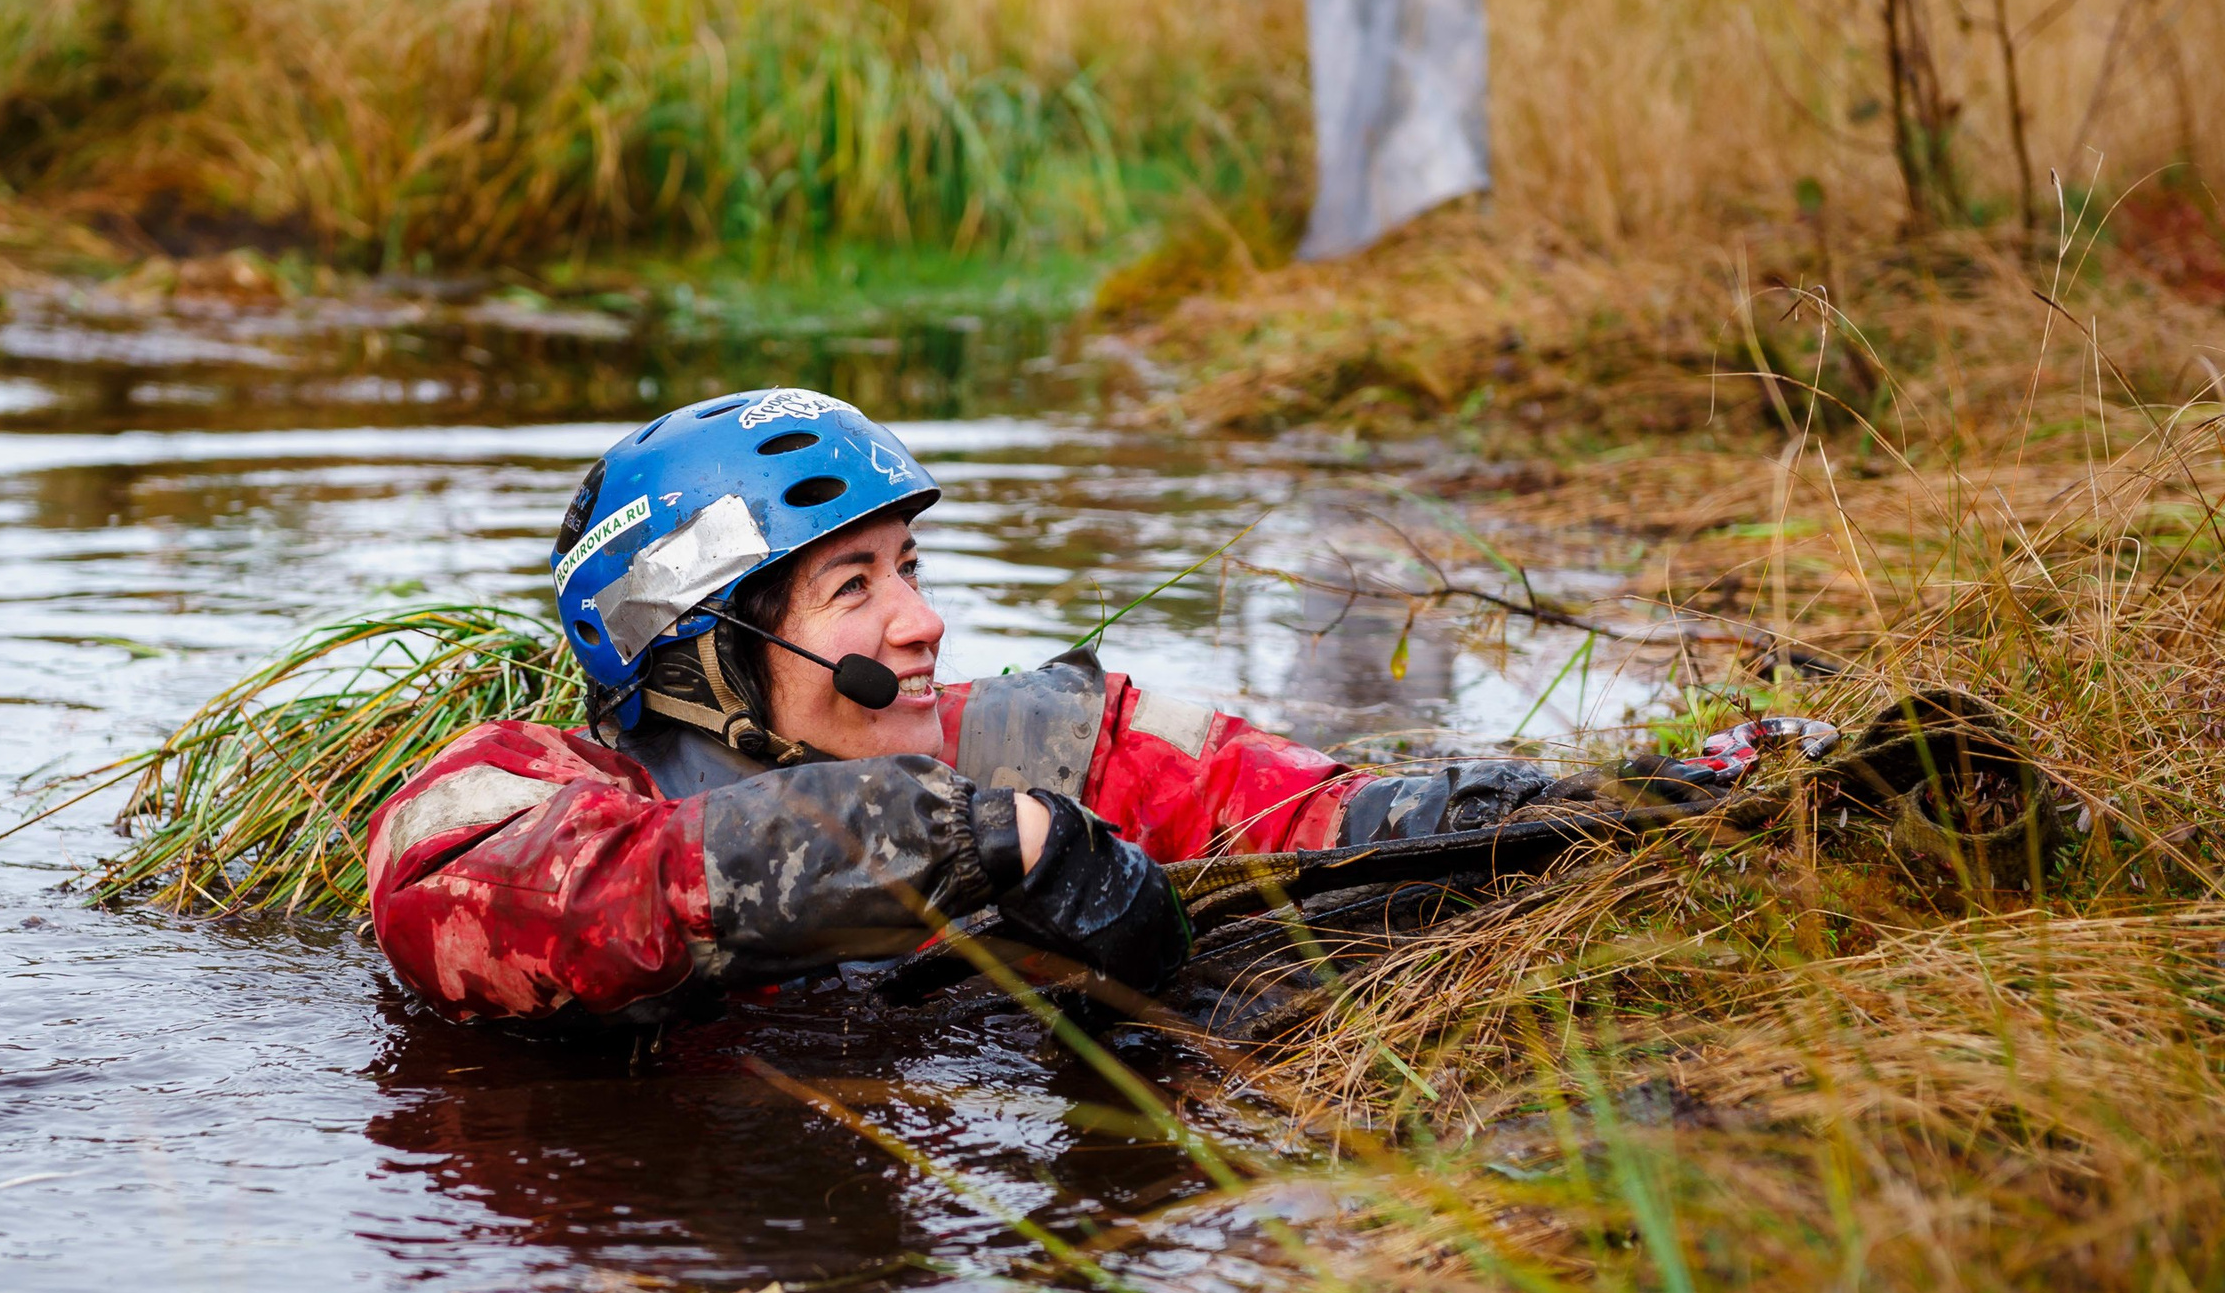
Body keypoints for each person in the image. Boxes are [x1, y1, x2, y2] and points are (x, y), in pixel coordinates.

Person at [360, 389, 1729, 1031]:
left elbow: (1301, 811)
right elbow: (524, 902)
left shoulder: (1020, 746)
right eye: (855, 586)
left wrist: (1601, 810)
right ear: (697, 657)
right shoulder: (514, 790)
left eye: (913, 569)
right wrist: (992, 845)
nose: (923, 620)